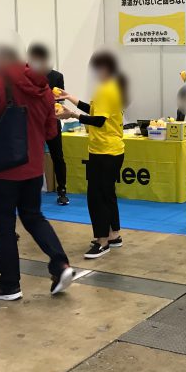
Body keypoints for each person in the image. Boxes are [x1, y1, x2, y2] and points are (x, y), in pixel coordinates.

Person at [0, 45, 74, 300]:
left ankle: (9, 284)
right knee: (34, 217)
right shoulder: (43, 88)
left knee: (4, 227)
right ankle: (61, 265)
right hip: (33, 168)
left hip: (2, 170)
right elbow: (51, 131)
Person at [57, 51, 126, 259]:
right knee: (107, 193)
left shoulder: (105, 90)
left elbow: (98, 121)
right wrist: (70, 98)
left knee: (96, 197)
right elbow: (94, 110)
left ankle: (102, 241)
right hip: (112, 149)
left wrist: (72, 115)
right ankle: (114, 235)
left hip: (104, 151)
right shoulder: (112, 87)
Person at [27, 43, 69, 205]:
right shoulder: (24, 77)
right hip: (32, 124)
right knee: (31, 157)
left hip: (51, 121)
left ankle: (62, 189)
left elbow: (60, 102)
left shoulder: (56, 76)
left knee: (58, 156)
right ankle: (30, 191)